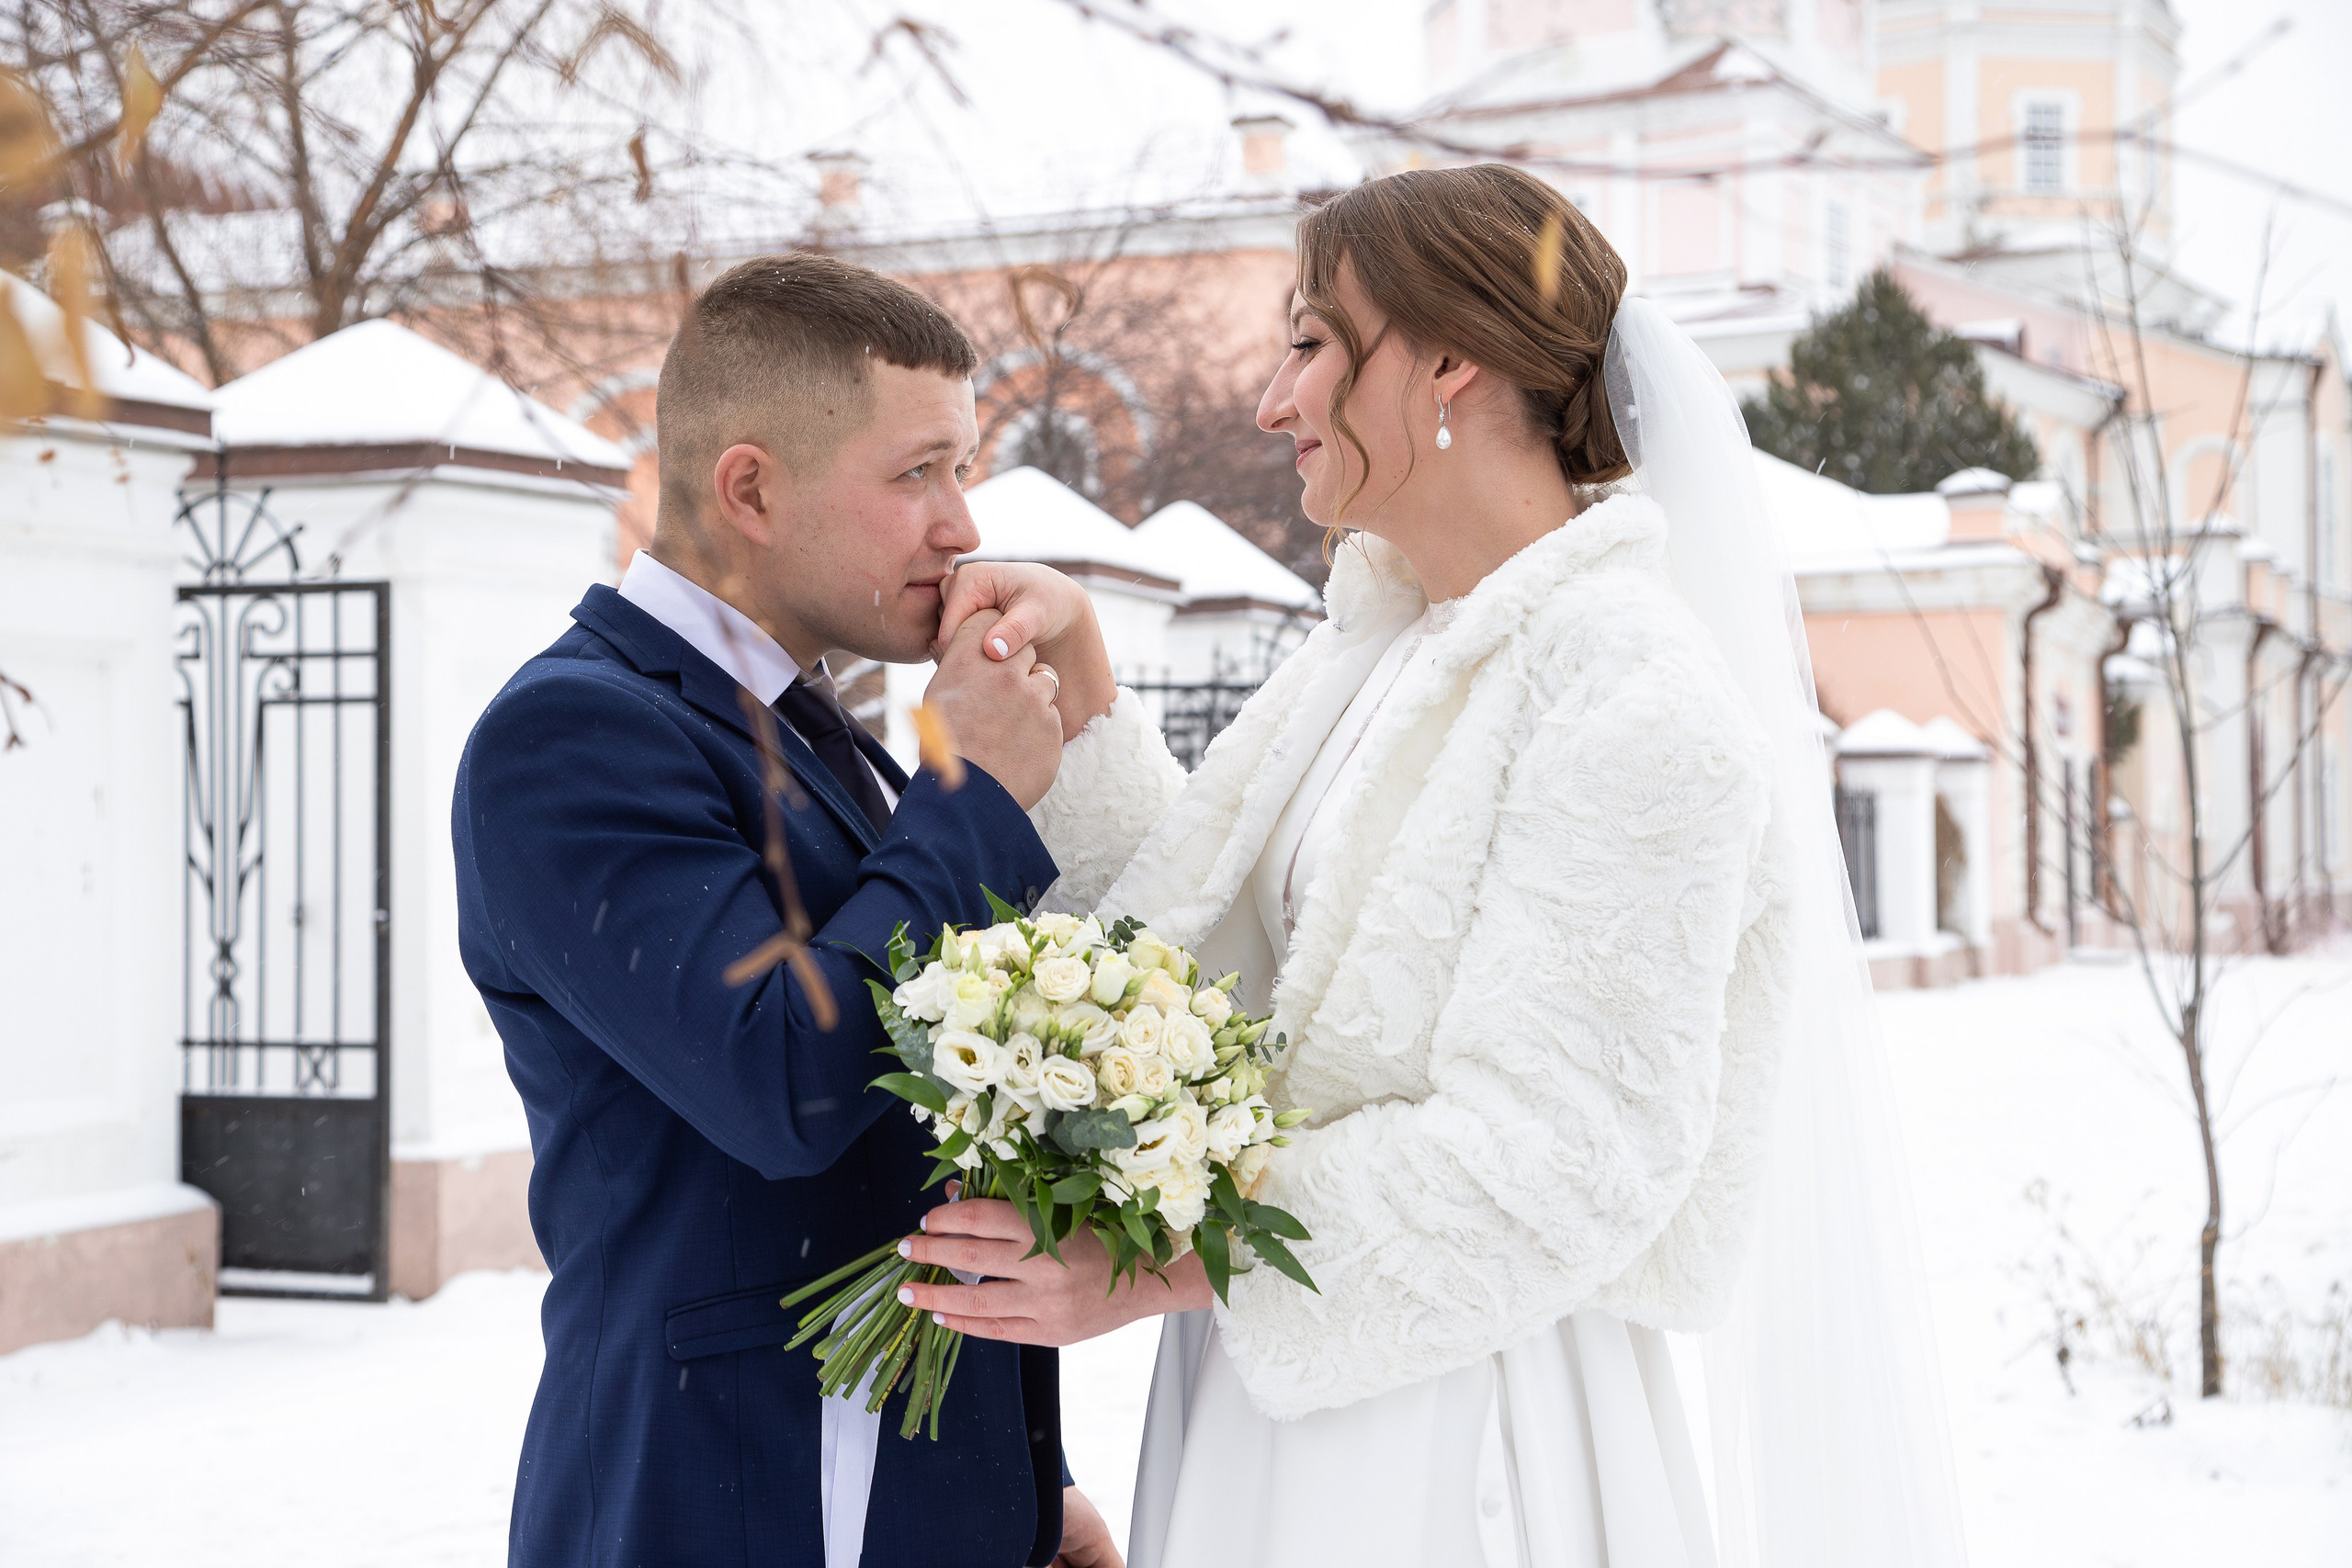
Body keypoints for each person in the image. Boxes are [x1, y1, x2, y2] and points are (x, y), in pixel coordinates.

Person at [909, 165, 1968, 1567]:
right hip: (1264, 1402)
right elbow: (1210, 968)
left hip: (1459, 1438)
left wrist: (1160, 1262)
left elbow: (1559, 1163)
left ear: (1448, 362)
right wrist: (1090, 697)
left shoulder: (1634, 697)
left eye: (1306, 344)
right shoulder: (1381, 643)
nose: (1274, 402)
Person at [451, 253, 1124, 1568]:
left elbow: (917, 1122)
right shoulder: (574, 733)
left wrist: (1029, 1484)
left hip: (915, 1493)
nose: (962, 527)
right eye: (917, 472)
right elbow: (785, 1083)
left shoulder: (822, 735)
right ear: (750, 488)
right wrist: (971, 785)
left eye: (964, 469)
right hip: (727, 1495)